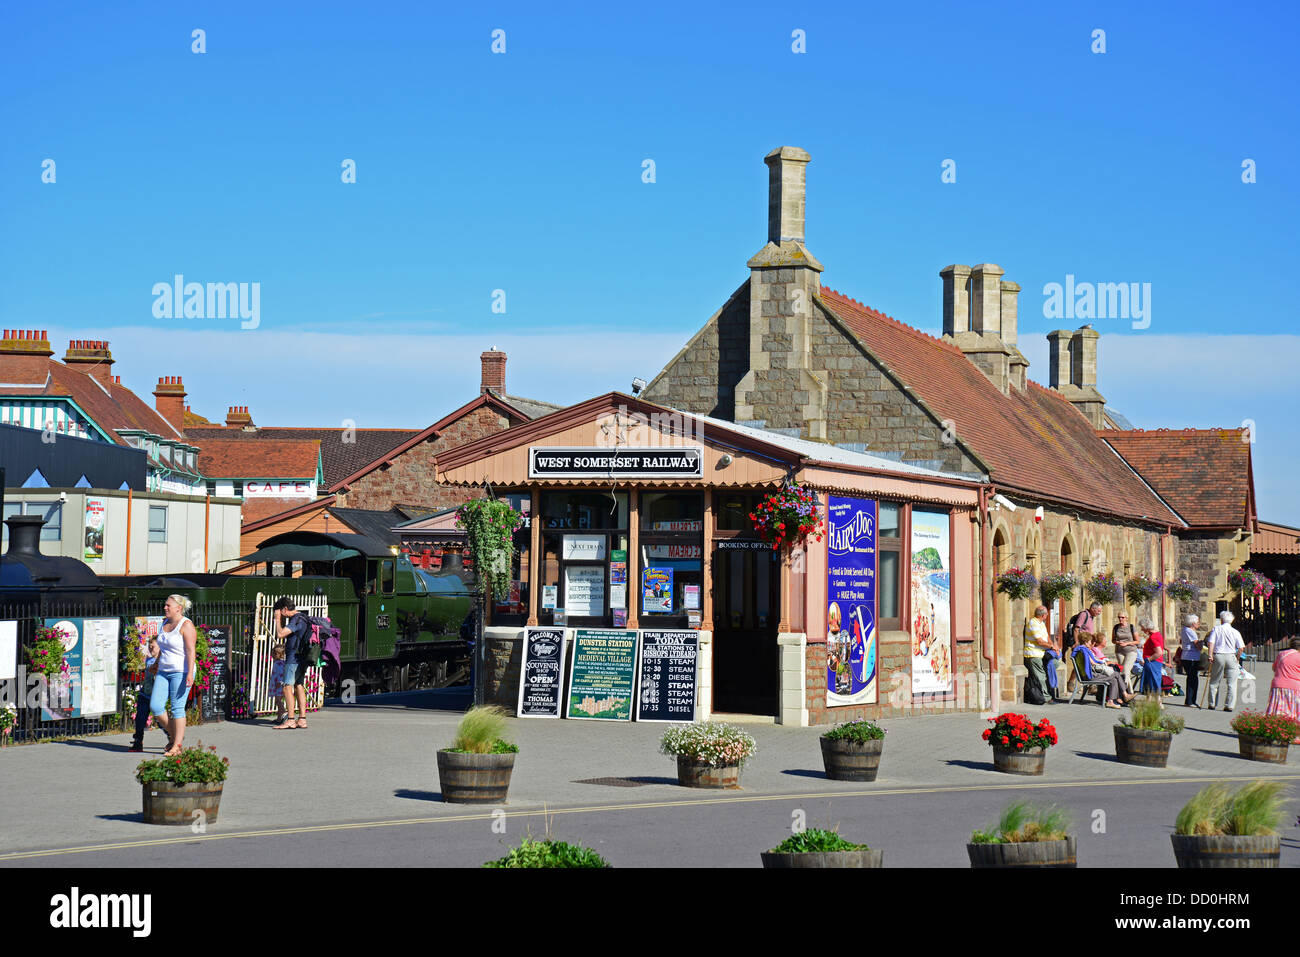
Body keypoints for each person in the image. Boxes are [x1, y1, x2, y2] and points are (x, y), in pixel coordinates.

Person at [150, 594, 197, 756]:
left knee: (177, 708)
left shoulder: (186, 625)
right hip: (164, 670)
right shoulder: (164, 623)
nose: (165, 608)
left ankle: (177, 745)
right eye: (165, 605)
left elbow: (191, 651)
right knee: (156, 706)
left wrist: (190, 673)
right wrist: (156, 663)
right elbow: (163, 647)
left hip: (181, 671)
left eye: (168, 605)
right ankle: (174, 735)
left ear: (179, 608)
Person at [273, 597, 311, 729]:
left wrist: (277, 620)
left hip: (293, 658)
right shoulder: (304, 617)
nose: (280, 615)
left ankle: (290, 719)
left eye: (280, 612)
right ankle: (302, 719)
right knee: (299, 685)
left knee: (287, 686)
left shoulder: (297, 619)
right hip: (302, 657)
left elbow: (280, 634)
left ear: (284, 609)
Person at [127, 636, 161, 753]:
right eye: (149, 646)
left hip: (156, 695)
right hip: (145, 694)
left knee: (161, 721)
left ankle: (172, 737)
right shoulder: (148, 659)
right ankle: (138, 741)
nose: (151, 648)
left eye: (153, 646)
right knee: (140, 719)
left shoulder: (162, 662)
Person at [1078, 638, 1133, 708]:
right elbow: (1093, 663)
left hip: (1089, 674)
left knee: (1114, 679)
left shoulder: (1081, 651)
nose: (1091, 643)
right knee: (1116, 674)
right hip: (1091, 676)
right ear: (1085, 642)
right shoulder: (1084, 652)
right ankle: (1124, 695)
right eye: (1090, 642)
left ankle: (1112, 701)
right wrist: (1104, 663)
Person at [1206, 610, 1244, 711]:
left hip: (1218, 655)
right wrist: (1237, 658)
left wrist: (1210, 655)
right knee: (1232, 683)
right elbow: (1241, 648)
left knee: (1214, 681)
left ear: (1221, 620)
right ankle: (1229, 705)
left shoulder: (1216, 629)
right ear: (1231, 621)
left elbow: (1211, 643)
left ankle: (1212, 703)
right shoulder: (1235, 632)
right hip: (1231, 655)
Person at [1264, 636, 1300, 743]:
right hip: (1295, 687)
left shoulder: (1281, 654)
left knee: (1278, 709)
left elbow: (1274, 668)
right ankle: (1295, 736)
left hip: (1277, 685)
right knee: (1294, 711)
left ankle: (1275, 732)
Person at [1062, 602, 1103, 692]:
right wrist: (1077, 643)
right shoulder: (1084, 615)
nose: (1099, 613)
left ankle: (1087, 685)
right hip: (1081, 645)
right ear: (1093, 609)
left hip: (1087, 645)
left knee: (1083, 664)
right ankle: (1075, 683)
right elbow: (1076, 629)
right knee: (1081, 664)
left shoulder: (1091, 617)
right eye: (1098, 611)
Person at [1022, 605, 1054, 705]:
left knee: (1054, 665)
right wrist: (1052, 647)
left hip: (1042, 653)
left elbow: (1047, 637)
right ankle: (1046, 697)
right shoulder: (1033, 623)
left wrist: (1052, 646)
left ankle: (1048, 692)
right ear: (1043, 615)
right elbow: (1039, 641)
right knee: (1041, 675)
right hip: (1033, 653)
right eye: (1046, 615)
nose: (1047, 616)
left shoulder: (1041, 623)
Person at [1176, 614, 1204, 708]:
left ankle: (1189, 700)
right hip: (1191, 657)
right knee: (1193, 679)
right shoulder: (1190, 631)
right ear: (1193, 623)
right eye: (1197, 622)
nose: (1199, 624)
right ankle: (1190, 700)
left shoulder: (1184, 630)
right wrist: (1201, 643)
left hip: (1186, 656)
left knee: (1191, 678)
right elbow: (1197, 645)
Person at [1111, 612, 1141, 694]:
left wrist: (1127, 643)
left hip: (1131, 651)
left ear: (1126, 618)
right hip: (1119, 651)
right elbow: (1113, 640)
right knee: (1124, 673)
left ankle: (1127, 693)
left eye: (1122, 617)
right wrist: (1117, 642)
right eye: (1119, 617)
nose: (1120, 619)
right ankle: (1128, 693)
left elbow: (1137, 641)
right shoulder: (1116, 627)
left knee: (1125, 670)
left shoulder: (1131, 627)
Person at [1137, 618, 1166, 700]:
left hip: (1153, 662)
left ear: (1147, 627)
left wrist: (1148, 659)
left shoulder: (1153, 637)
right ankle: (1149, 700)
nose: (1142, 629)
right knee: (1150, 681)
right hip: (1155, 662)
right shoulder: (1157, 634)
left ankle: (1158, 701)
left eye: (1142, 627)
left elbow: (1159, 652)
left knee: (1153, 681)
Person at [270, 642, 288, 724]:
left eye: (274, 653)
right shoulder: (282, 663)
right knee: (279, 700)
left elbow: (281, 674)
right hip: (281, 684)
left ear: (279, 654)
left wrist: (279, 682)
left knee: (277, 701)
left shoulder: (278, 664)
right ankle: (279, 719)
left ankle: (284, 712)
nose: (272, 655)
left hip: (279, 684)